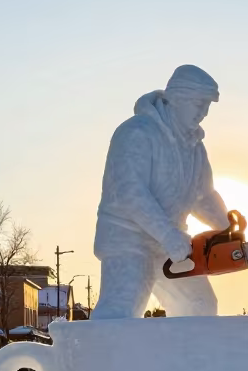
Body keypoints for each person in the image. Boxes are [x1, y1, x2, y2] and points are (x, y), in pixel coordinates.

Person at [91, 65, 237, 319]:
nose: (203, 113)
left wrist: (226, 225)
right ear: (177, 99)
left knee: (200, 304)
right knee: (121, 310)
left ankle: (185, 358)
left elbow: (202, 195)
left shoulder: (194, 147)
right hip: (128, 239)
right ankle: (95, 357)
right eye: (198, 104)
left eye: (206, 107)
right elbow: (130, 192)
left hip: (170, 244)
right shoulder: (136, 132)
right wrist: (168, 235)